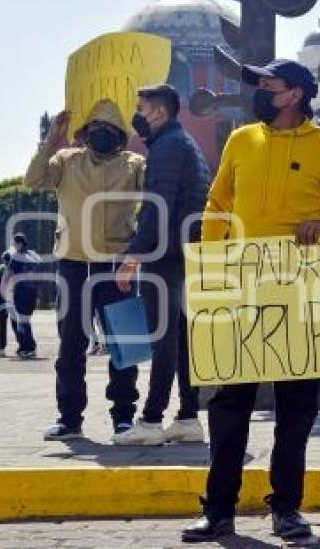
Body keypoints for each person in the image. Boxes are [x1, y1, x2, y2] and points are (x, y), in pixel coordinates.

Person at [181, 60, 320, 543]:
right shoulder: (241, 140)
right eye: (262, 84)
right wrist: (212, 262)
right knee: (229, 402)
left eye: (271, 85)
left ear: (297, 94)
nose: (262, 91)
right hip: (241, 284)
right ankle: (218, 509)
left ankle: (286, 508)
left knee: (296, 404)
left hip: (300, 287)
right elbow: (216, 204)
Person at [25, 99, 145, 441]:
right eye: (95, 128)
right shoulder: (65, 161)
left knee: (123, 344)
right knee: (71, 345)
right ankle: (69, 418)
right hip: (74, 263)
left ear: (120, 135)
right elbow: (33, 180)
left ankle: (124, 416)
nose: (102, 134)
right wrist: (51, 139)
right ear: (84, 133)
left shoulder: (133, 164)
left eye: (109, 129)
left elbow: (156, 196)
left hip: (117, 264)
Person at [113, 84, 211, 446]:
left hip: (165, 256)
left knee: (163, 340)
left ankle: (152, 421)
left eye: (140, 107)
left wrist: (134, 256)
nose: (136, 114)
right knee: (183, 340)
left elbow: (157, 205)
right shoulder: (186, 144)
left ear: (159, 111)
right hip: (185, 255)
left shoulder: (168, 147)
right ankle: (188, 417)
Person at [6, 233, 40, 360]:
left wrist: (3, 287)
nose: (13, 246)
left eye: (14, 243)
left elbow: (8, 273)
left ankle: (30, 348)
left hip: (21, 292)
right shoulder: (33, 256)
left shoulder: (16, 257)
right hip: (32, 292)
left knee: (22, 321)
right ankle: (25, 347)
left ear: (19, 244)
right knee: (24, 321)